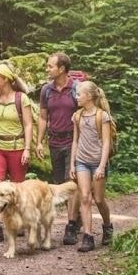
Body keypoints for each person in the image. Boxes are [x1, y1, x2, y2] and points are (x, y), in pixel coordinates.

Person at [0, 63, 34, 244]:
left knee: (16, 188)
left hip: (17, 147)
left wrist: (27, 149)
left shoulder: (21, 98)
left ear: (5, 79)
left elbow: (28, 125)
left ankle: (17, 221)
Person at [36, 52, 82, 245]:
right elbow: (43, 117)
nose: (47, 69)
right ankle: (77, 217)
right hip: (54, 141)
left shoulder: (76, 88)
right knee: (60, 183)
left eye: (50, 66)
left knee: (72, 183)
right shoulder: (46, 90)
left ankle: (71, 226)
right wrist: (39, 141)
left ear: (62, 69)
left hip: (73, 141)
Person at [68, 81, 114, 252]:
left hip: (97, 163)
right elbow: (75, 140)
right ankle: (88, 236)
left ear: (88, 96)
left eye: (79, 94)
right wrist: (72, 164)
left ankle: (107, 226)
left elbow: (106, 143)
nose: (76, 97)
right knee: (85, 197)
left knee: (99, 200)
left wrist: (102, 166)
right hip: (82, 162)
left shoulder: (102, 116)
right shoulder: (77, 116)